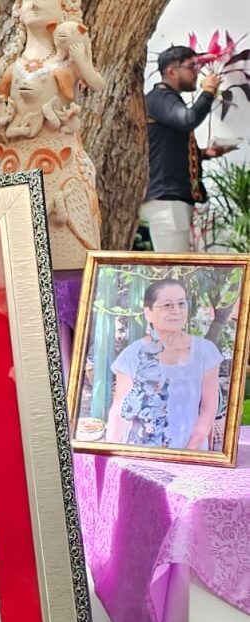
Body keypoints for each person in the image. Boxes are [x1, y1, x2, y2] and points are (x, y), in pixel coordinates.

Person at [105, 279, 222, 450]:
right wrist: (112, 453)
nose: (176, 311)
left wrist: (189, 451)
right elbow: (119, 411)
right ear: (148, 313)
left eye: (181, 304)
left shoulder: (206, 352)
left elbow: (209, 409)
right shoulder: (131, 355)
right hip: (143, 454)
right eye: (167, 305)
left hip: (191, 453)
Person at [142, 45, 235, 252]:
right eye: (191, 66)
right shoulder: (160, 97)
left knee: (179, 264)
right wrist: (208, 91)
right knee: (174, 266)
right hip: (167, 200)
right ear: (171, 71)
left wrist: (205, 154)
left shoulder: (165, 99)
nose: (197, 72)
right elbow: (188, 119)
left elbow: (169, 148)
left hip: (172, 199)